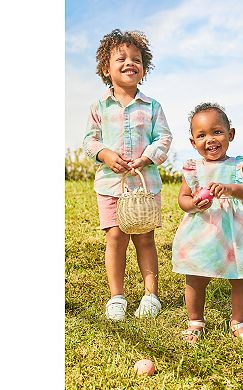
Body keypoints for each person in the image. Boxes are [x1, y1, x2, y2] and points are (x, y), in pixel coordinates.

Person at [83, 29, 172, 321]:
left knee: (145, 239)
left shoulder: (152, 106)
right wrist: (106, 155)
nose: (129, 63)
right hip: (111, 185)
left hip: (144, 186)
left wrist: (148, 156)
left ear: (143, 68)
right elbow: (90, 141)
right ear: (106, 68)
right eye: (121, 58)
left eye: (136, 59)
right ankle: (117, 298)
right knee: (115, 238)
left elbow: (164, 138)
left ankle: (151, 295)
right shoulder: (99, 107)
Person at [172, 103, 243, 343]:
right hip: (204, 230)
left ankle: (239, 322)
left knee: (240, 277)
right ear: (192, 142)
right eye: (201, 135)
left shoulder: (238, 164)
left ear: (231, 134)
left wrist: (230, 188)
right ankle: (195, 322)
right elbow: (182, 199)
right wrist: (194, 203)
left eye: (217, 132)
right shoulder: (193, 168)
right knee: (195, 276)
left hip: (237, 232)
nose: (210, 139)